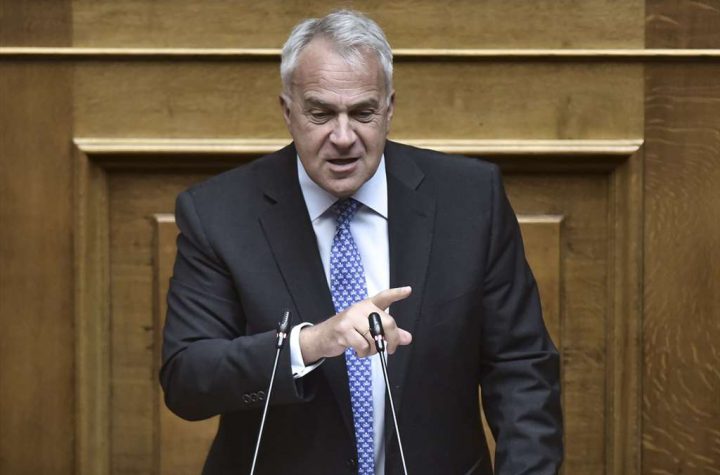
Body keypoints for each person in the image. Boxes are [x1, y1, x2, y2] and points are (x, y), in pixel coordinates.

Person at [160, 9, 562, 475]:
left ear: (389, 109)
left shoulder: (470, 199)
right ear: (288, 112)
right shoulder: (220, 214)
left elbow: (521, 368)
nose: (343, 137)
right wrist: (309, 343)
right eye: (320, 114)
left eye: (363, 113)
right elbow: (188, 379)